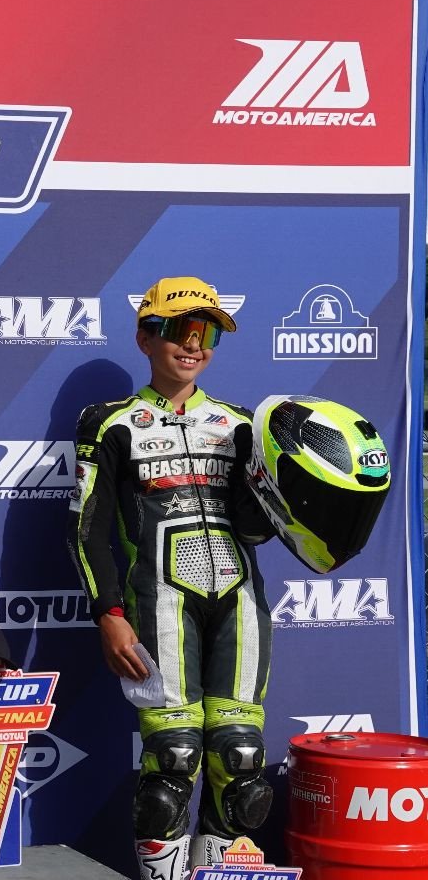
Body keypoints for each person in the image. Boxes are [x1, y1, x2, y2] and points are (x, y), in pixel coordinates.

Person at [65, 277, 275, 880]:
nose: (192, 344)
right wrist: (108, 613)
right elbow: (86, 530)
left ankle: (220, 867)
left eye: (204, 332)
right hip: (156, 604)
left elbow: (259, 532)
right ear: (144, 337)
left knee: (240, 756)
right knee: (173, 757)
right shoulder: (110, 424)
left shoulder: (241, 424)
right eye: (177, 330)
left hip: (241, 603)